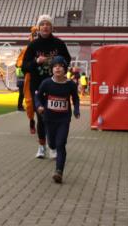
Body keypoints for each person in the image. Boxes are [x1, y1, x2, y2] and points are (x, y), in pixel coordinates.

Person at [23, 14, 72, 158]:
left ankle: (53, 147)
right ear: (38, 27)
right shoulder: (33, 45)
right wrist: (36, 62)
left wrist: (59, 65)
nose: (45, 26)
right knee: (41, 116)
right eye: (42, 24)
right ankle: (41, 146)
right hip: (37, 86)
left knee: (54, 118)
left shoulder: (59, 44)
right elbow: (24, 66)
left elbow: (67, 60)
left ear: (52, 27)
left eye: (48, 24)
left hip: (56, 86)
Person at [34, 56, 80, 184]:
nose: (57, 68)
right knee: (52, 144)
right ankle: (50, 146)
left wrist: (76, 110)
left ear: (65, 69)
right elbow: (37, 96)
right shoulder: (47, 83)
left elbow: (76, 98)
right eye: (55, 66)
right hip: (49, 119)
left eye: (60, 65)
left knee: (61, 144)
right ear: (52, 69)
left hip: (64, 119)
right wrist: (39, 106)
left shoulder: (70, 84)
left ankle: (59, 171)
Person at [14, 25, 39, 135]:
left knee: (43, 103)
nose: (35, 37)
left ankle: (42, 124)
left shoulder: (46, 48)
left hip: (43, 78)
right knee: (29, 102)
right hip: (30, 79)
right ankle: (32, 121)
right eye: (34, 35)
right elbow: (18, 63)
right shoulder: (26, 50)